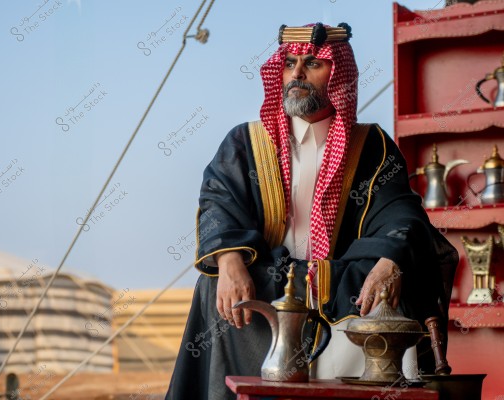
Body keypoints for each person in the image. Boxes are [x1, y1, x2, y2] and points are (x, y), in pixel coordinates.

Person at [165, 22, 458, 400]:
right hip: (268, 280)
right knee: (213, 284)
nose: (297, 74)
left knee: (394, 279)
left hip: (343, 282)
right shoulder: (246, 140)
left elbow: (400, 212)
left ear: (338, 73)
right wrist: (229, 260)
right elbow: (220, 201)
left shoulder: (370, 145)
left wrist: (389, 260)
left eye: (311, 64)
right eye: (289, 63)